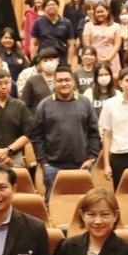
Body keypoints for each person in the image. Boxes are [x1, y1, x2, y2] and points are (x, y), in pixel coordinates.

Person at [30, 68, 100, 200]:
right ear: (54, 83)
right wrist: (43, 162)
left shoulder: (85, 102)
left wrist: (91, 158)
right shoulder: (44, 105)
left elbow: (94, 133)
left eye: (67, 80)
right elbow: (37, 136)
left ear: (73, 82)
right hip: (53, 167)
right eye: (60, 80)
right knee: (53, 204)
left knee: (82, 204)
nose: (64, 83)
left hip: (82, 166)